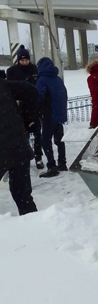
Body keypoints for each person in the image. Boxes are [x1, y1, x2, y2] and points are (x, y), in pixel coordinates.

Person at [0, 79, 39, 215]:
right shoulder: (6, 85)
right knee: (22, 193)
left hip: (10, 147)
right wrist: (28, 117)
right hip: (18, 146)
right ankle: (32, 223)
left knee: (21, 191)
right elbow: (31, 91)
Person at [6, 45, 44, 169]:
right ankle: (25, 158)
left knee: (38, 134)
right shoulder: (12, 71)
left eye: (26, 60)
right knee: (23, 136)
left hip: (33, 108)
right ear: (18, 60)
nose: (24, 62)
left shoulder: (34, 70)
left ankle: (39, 157)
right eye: (22, 60)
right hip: (19, 109)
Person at [35, 57, 68, 178]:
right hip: (59, 115)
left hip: (48, 116)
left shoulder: (42, 80)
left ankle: (52, 166)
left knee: (45, 141)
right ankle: (62, 163)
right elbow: (65, 94)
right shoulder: (58, 79)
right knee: (60, 140)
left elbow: (39, 98)